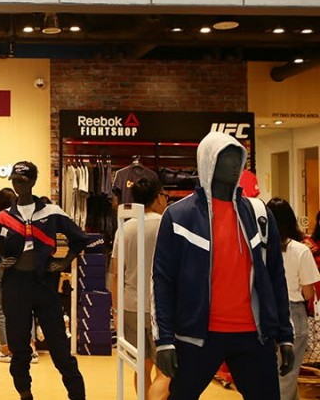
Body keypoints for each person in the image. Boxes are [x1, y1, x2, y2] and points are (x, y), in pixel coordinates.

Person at [152, 132, 294, 398]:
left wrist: (285, 335)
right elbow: (162, 281)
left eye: (238, 157)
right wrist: (164, 340)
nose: (233, 164)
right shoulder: (179, 216)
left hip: (254, 335)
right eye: (225, 157)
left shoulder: (259, 214)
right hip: (197, 336)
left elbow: (276, 277)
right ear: (208, 161)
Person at [0, 161, 88, 400]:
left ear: (32, 181)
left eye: (22, 181)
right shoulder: (3, 217)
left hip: (44, 285)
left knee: (59, 347)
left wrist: (64, 262)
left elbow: (80, 238)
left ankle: (77, 395)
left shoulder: (51, 212)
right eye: (14, 180)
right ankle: (25, 393)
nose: (17, 185)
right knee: (19, 348)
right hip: (15, 286)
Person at [110, 176, 169, 400]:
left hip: (131, 306)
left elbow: (116, 274)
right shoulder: (167, 225)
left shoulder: (125, 229)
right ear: (158, 198)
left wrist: (116, 310)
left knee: (141, 367)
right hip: (161, 309)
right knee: (166, 371)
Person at [267, 197, 320, 400]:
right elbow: (308, 293)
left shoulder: (259, 250)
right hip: (294, 313)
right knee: (288, 375)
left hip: (265, 312)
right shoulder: (301, 251)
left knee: (271, 373)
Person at [0, 187, 36, 363]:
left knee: (2, 310)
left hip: (3, 266)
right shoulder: (25, 219)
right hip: (24, 267)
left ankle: (7, 350)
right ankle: (30, 350)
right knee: (26, 308)